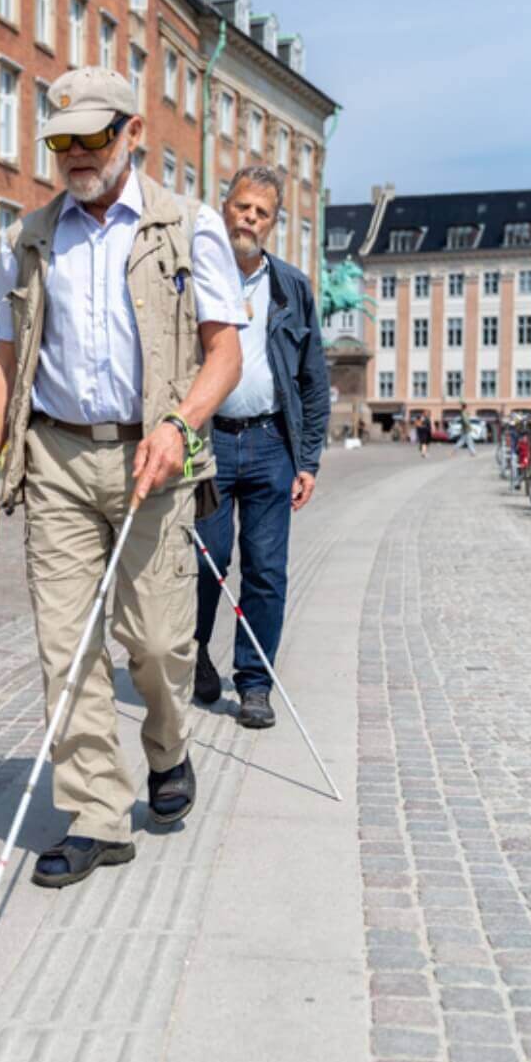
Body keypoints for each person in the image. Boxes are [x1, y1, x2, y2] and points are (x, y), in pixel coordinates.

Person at [0, 66, 244, 889]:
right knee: (66, 645)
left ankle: (167, 743)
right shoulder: (31, 236)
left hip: (152, 455)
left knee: (155, 641)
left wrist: (179, 424)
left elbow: (223, 350)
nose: (79, 154)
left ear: (132, 132)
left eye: (95, 136)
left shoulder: (186, 226)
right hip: (54, 458)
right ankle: (95, 813)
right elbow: (6, 362)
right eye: (63, 141)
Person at [192, 166, 330, 728]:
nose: (249, 218)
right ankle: (194, 655)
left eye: (261, 212)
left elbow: (313, 378)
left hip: (272, 441)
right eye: (241, 206)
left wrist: (310, 460)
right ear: (224, 207)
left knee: (267, 570)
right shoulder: (196, 275)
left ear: (273, 223)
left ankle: (254, 683)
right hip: (210, 443)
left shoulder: (291, 287)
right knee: (206, 560)